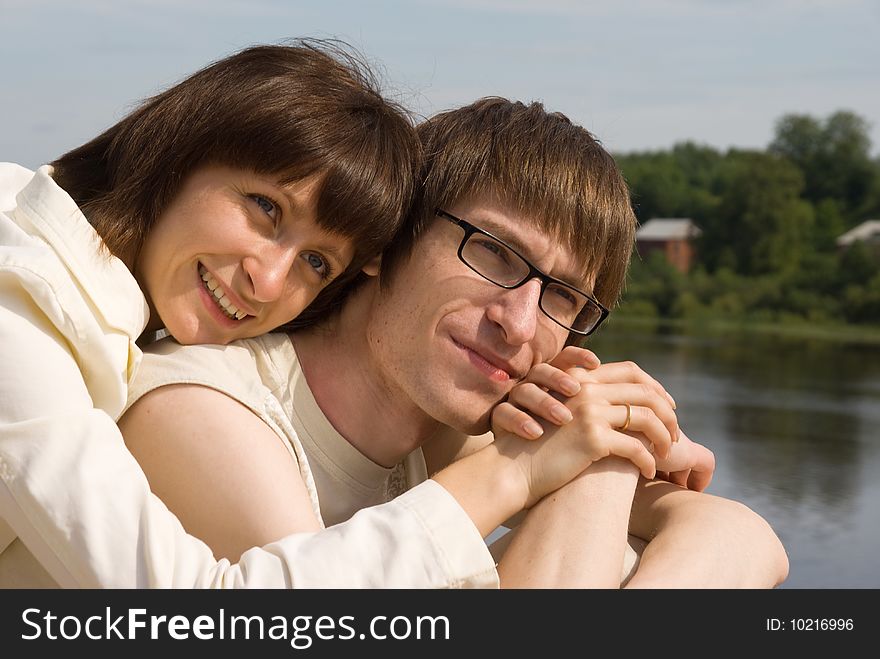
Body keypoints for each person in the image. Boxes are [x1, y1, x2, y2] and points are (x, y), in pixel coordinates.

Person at [120, 97, 790, 588]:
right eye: (495, 253)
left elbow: (747, 539)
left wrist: (602, 458)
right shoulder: (201, 409)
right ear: (389, 239)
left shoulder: (450, 436)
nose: (520, 324)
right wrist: (574, 456)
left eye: (563, 296)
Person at [0, 39, 422, 587]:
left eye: (316, 263)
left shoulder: (97, 303)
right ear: (179, 152)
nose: (268, 282)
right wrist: (501, 482)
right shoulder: (21, 307)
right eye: (265, 208)